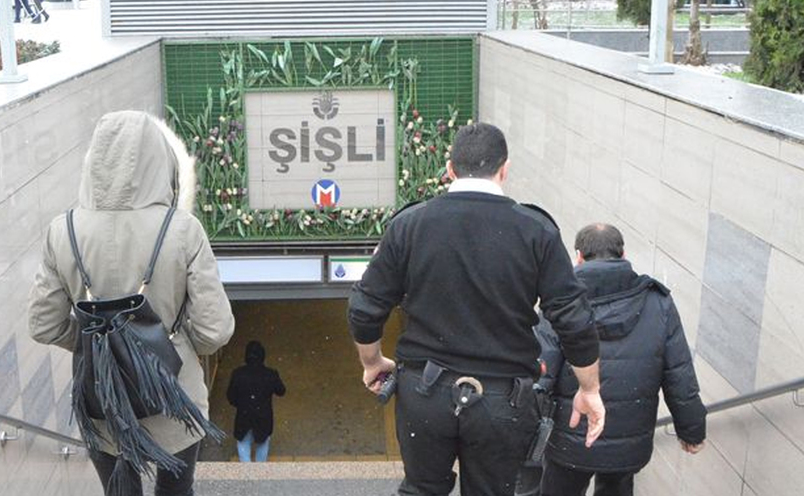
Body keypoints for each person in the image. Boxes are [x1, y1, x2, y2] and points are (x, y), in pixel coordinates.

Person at [347, 122, 606, 496]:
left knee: (421, 490)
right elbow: (574, 321)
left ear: (449, 169)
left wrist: (372, 363)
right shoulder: (537, 231)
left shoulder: (409, 225)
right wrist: (590, 388)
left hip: (424, 394)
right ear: (504, 169)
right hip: (503, 402)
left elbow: (364, 308)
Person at [28, 111, 235, 496]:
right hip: (176, 399)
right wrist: (168, 341)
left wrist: (102, 341)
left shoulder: (64, 230)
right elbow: (214, 331)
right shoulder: (183, 229)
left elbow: (44, 325)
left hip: (101, 399)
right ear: (160, 161)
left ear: (94, 162)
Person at [537, 223, 707, 496]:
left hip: (571, 438)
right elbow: (679, 373)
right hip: (628, 444)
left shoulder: (561, 300)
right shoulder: (658, 302)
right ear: (623, 254)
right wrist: (692, 430)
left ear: (579, 256)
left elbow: (541, 373)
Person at [226, 340, 286, 462]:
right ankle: (259, 472)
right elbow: (281, 391)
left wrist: (241, 403)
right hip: (263, 416)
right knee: (262, 443)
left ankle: (247, 473)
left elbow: (230, 397)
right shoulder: (271, 374)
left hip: (244, 415)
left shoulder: (238, 374)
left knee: (243, 443)